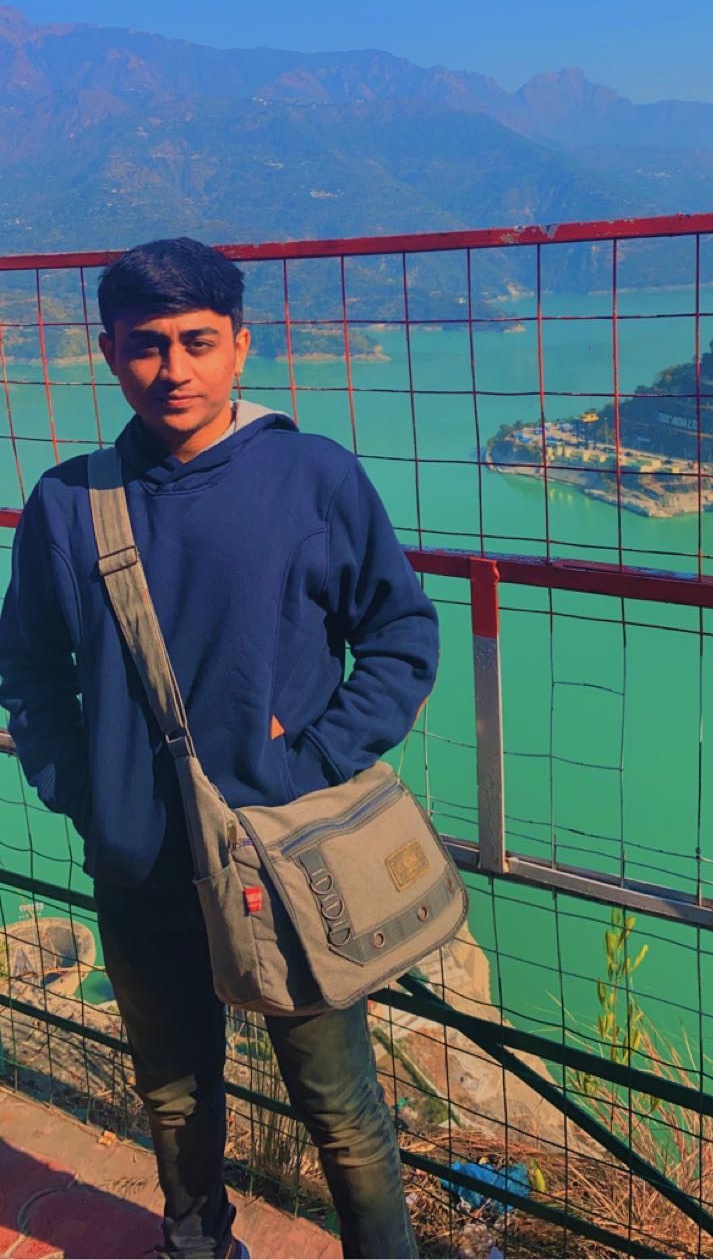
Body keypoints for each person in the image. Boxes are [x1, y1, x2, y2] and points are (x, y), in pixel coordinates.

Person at [0, 236, 439, 1260]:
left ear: (241, 346)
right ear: (108, 354)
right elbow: (26, 669)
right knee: (174, 1090)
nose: (174, 368)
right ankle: (197, 1247)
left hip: (289, 857)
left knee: (337, 1097)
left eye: (198, 341)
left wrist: (307, 761)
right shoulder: (68, 506)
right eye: (146, 345)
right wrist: (84, 789)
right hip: (141, 860)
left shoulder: (311, 476)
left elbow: (401, 635)